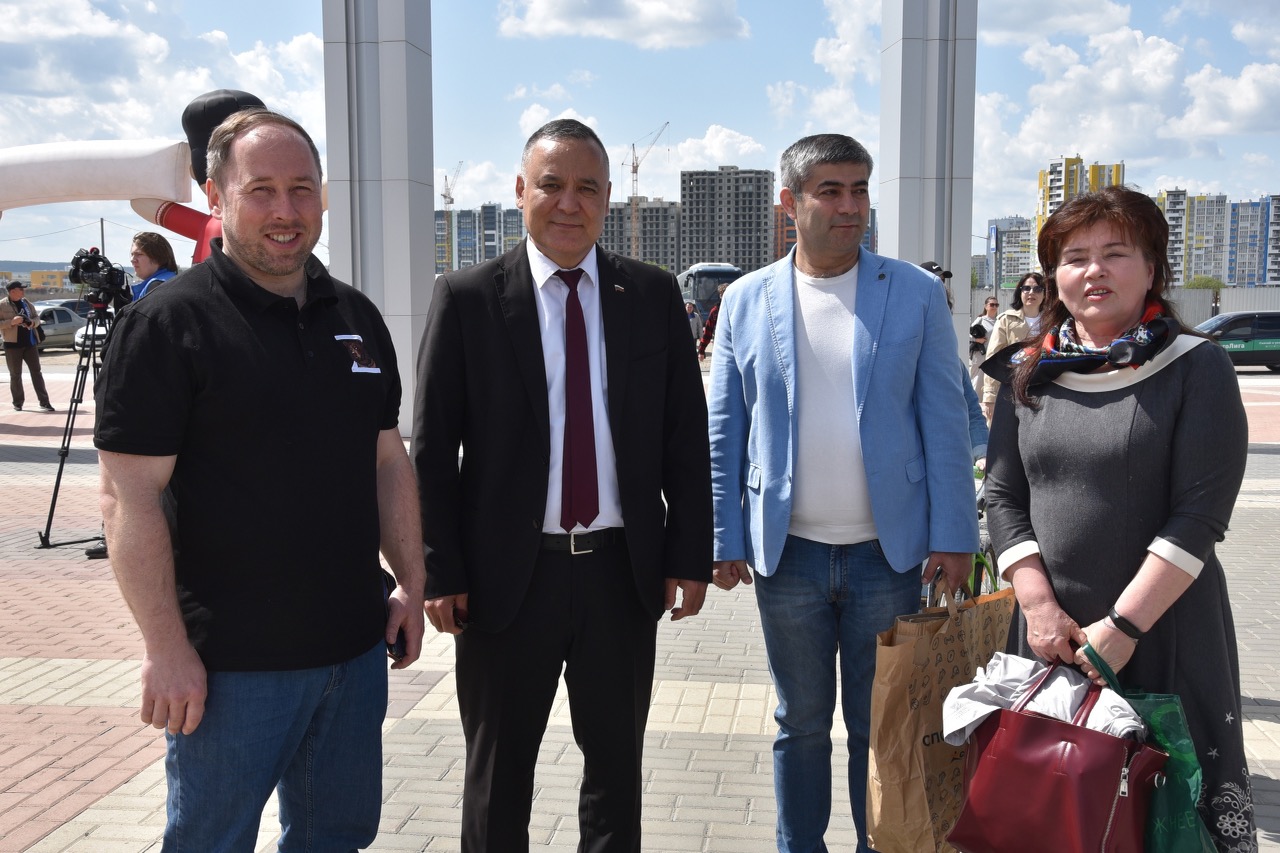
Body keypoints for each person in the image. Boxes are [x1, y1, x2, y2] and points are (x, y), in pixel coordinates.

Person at [94, 108, 426, 851]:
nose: (285, 210)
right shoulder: (168, 325)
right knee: (212, 842)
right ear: (217, 196)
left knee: (336, 838)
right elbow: (127, 497)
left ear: (322, 198)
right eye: (261, 190)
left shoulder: (356, 316)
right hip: (230, 671)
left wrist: (410, 581)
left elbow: (387, 461)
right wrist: (166, 648)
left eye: (302, 189)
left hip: (353, 652)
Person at [413, 118, 712, 852]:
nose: (569, 203)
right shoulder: (467, 297)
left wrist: (689, 555)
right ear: (521, 190)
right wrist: (440, 571)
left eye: (587, 187)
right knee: (497, 777)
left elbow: (684, 438)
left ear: (608, 198)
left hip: (620, 575)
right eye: (552, 184)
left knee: (616, 775)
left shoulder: (650, 294)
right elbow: (433, 451)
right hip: (505, 583)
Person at [707, 134, 978, 853]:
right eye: (830, 190)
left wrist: (956, 535)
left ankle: (874, 845)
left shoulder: (915, 293)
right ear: (789, 203)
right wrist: (724, 537)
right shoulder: (745, 300)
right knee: (799, 723)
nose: (850, 205)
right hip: (787, 555)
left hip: (888, 557)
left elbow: (945, 421)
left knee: (877, 726)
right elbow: (725, 430)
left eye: (859, 189)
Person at [982, 185, 1256, 850]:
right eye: (1074, 257)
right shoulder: (1029, 371)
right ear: (1054, 275)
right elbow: (1002, 495)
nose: (1093, 271)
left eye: (1115, 253)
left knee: (1167, 822)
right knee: (1048, 811)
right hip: (1051, 636)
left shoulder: (1196, 366)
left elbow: (1200, 515)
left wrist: (1125, 626)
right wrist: (1038, 607)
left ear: (1152, 267)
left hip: (1164, 628)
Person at [980, 271, 1046, 422]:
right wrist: (989, 396)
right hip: (1012, 388)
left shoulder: (1051, 320)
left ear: (1045, 294)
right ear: (1020, 292)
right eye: (1026, 288)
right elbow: (993, 357)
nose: (1031, 293)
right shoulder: (1006, 320)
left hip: (1045, 388)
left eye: (1037, 289)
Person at [1, 281, 54, 412]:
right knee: (15, 375)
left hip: (30, 343)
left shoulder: (26, 302)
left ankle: (44, 402)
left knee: (37, 373)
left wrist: (32, 322)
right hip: (12, 345)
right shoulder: (2, 305)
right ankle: (18, 403)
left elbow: (37, 318)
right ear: (12, 291)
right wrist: (11, 322)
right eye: (20, 289)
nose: (23, 291)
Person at [129, 231, 180, 301]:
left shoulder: (157, 287)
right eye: (132, 254)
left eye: (139, 254)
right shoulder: (172, 280)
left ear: (157, 258)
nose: (132, 260)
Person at [969, 295, 999, 385]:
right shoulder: (981, 320)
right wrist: (977, 340)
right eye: (992, 305)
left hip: (994, 355)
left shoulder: (999, 321)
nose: (994, 307)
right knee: (977, 381)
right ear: (986, 306)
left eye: (996, 305)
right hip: (980, 354)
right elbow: (967, 334)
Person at [697, 282, 729, 360]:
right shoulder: (715, 311)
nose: (723, 296)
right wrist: (701, 350)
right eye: (722, 294)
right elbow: (708, 331)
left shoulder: (738, 309)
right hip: (721, 346)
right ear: (720, 296)